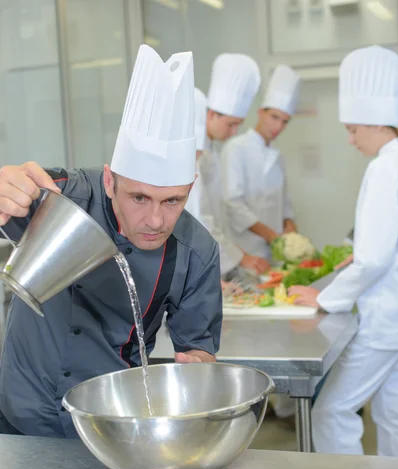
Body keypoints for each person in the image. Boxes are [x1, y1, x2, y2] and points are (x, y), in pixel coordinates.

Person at [0, 45, 222, 438]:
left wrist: (197, 370)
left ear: (191, 187)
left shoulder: (197, 253)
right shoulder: (61, 197)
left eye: (173, 200)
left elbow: (198, 350)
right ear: (109, 180)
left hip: (108, 429)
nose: (155, 220)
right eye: (139, 198)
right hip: (15, 415)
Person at [289, 45, 398, 456]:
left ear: (376, 123)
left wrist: (325, 297)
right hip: (396, 319)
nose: (351, 139)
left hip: (384, 320)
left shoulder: (385, 167)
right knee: (392, 416)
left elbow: (374, 258)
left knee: (331, 411)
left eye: (353, 129)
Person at [198, 53, 270, 278]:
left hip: (214, 257)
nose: (234, 132)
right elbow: (201, 221)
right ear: (212, 115)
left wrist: (238, 256)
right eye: (231, 124)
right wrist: (241, 258)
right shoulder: (195, 155)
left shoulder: (210, 151)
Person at [221, 64, 301, 260]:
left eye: (284, 121)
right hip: (246, 254)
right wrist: (271, 236)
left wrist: (289, 225)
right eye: (274, 117)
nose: (278, 126)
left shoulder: (278, 157)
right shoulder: (236, 148)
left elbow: (285, 204)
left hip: (274, 255)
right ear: (260, 112)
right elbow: (233, 204)